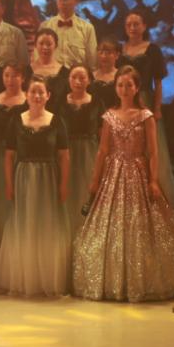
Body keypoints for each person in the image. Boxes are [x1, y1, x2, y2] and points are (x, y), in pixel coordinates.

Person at [73, 67, 174, 302]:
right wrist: (95, 181)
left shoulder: (145, 116)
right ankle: (112, 281)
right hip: (113, 175)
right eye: (120, 85)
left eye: (129, 85)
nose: (124, 89)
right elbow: (103, 151)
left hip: (138, 172)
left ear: (137, 88)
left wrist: (153, 180)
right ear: (115, 88)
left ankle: (141, 280)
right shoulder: (109, 116)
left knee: (141, 226)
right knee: (110, 227)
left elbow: (153, 152)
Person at [0, 76, 71, 297]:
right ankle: (25, 278)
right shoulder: (16, 120)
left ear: (48, 96)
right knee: (25, 226)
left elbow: (64, 156)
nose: (37, 96)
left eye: (41, 92)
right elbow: (8, 156)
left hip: (48, 178)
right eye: (33, 92)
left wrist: (63, 185)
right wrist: (9, 184)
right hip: (24, 178)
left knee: (46, 226)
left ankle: (46, 278)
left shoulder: (57, 121)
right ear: (26, 95)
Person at [117, 12, 174, 204]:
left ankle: (154, 191)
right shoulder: (120, 49)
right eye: (129, 24)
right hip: (124, 101)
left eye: (136, 24)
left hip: (145, 101)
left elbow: (158, 82)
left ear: (144, 26)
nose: (132, 28)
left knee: (149, 146)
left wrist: (157, 108)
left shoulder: (153, 50)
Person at [63, 64, 104, 236]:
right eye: (74, 77)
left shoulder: (97, 102)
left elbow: (102, 133)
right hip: (66, 152)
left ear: (89, 80)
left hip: (89, 151)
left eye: (82, 78)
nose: (78, 82)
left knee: (87, 190)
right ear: (68, 80)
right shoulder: (60, 102)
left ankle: (87, 236)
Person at [0, 63, 29, 226]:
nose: (10, 80)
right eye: (6, 75)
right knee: (1, 195)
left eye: (15, 76)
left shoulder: (29, 99)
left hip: (22, 155)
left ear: (23, 78)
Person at [40, 0, 97, 70]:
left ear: (77, 1)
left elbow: (92, 62)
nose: (63, 3)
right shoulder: (45, 26)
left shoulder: (87, 28)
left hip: (77, 76)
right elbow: (38, 58)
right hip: (51, 75)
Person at [31, 29, 69, 112]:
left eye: (49, 44)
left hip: (58, 116)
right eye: (41, 43)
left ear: (56, 45)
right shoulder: (27, 71)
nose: (45, 47)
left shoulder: (65, 73)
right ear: (35, 45)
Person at [89, 39, 120, 110]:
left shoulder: (121, 76)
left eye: (108, 53)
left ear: (117, 55)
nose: (104, 56)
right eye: (101, 53)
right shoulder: (91, 76)